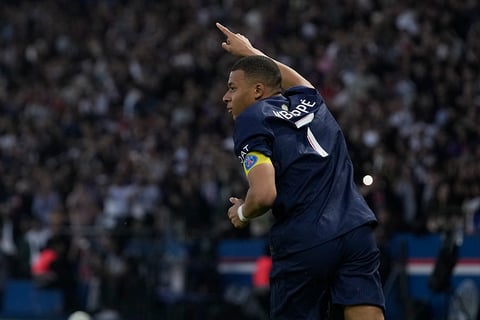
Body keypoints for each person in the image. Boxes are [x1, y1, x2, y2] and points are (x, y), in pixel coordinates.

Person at [216, 22, 385, 320]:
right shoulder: (309, 101)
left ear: (257, 91)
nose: (225, 98)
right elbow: (295, 81)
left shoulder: (252, 120)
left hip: (305, 240)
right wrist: (252, 52)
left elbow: (265, 194)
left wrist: (243, 213)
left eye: (232, 88)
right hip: (355, 229)